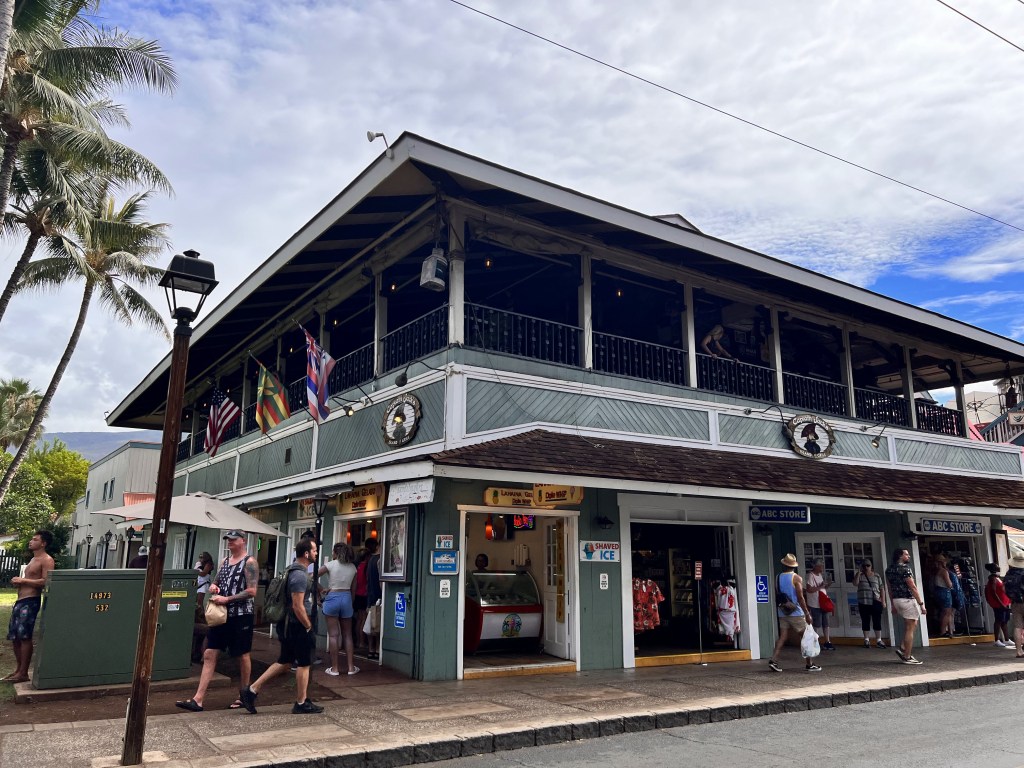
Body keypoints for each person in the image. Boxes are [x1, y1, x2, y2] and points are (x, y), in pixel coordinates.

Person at [239, 538, 324, 714]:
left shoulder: (290, 570)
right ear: (306, 554)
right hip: (297, 625)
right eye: (314, 550)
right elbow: (297, 605)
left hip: (286, 624)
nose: (316, 553)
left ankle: (252, 690)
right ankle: (301, 703)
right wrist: (308, 626)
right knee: (304, 663)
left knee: (284, 662)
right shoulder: (300, 575)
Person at [176, 530, 257, 712]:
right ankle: (198, 699)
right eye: (228, 540)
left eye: (233, 540)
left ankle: (244, 695)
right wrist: (214, 586)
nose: (229, 543)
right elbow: (217, 581)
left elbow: (252, 591)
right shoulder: (225, 562)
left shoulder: (250, 562)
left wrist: (227, 599)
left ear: (243, 541)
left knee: (242, 655)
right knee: (210, 653)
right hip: (221, 615)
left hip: (241, 615)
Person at [4, 531, 55, 683]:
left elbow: (46, 581)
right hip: (20, 601)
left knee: (24, 636)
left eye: (35, 539)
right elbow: (32, 579)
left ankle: (24, 673)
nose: (31, 541)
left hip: (31, 601)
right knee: (15, 637)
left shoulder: (47, 560)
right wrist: (19, 582)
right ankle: (18, 670)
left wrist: (23, 581)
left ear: (43, 543)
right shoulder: (34, 558)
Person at [769, 553, 819, 673]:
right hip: (796, 612)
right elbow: (800, 598)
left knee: (783, 637)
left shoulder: (778, 577)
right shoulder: (796, 578)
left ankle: (773, 660)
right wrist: (807, 613)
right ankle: (809, 664)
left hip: (783, 611)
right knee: (806, 637)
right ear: (794, 565)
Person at [318, 542, 359, 676]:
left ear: (336, 552)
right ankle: (351, 667)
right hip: (346, 597)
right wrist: (350, 603)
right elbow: (354, 589)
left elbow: (311, 577)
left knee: (334, 635)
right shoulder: (353, 567)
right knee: (347, 635)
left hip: (332, 597)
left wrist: (321, 590)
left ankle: (334, 669)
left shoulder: (330, 565)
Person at [885, 548, 926, 664]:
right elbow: (912, 587)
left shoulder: (889, 569)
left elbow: (889, 588)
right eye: (906, 554)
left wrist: (893, 604)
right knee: (910, 628)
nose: (909, 556)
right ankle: (907, 656)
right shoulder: (905, 569)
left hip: (897, 600)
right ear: (900, 556)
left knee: (913, 624)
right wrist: (921, 604)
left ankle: (903, 645)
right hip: (907, 599)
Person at [852, 559, 886, 648]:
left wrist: (883, 601)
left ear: (871, 566)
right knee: (865, 621)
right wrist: (858, 573)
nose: (866, 567)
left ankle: (878, 640)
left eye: (868, 565)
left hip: (875, 601)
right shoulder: (860, 575)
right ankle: (866, 639)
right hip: (863, 602)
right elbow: (855, 583)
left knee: (877, 620)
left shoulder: (877, 576)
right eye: (864, 566)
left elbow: (882, 588)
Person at [804, 559, 835, 650]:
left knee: (826, 623)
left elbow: (821, 588)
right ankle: (814, 642)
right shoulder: (810, 575)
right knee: (816, 624)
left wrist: (826, 585)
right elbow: (809, 589)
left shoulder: (820, 575)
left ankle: (827, 641)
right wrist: (821, 586)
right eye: (821, 565)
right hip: (815, 603)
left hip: (823, 602)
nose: (822, 567)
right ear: (816, 566)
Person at [984, 562, 1013, 648]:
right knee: (999, 620)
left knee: (1004, 620)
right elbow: (993, 592)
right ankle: (996, 640)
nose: (999, 569)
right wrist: (1000, 603)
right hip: (999, 604)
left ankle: (1007, 639)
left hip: (1005, 602)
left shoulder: (997, 578)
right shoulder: (993, 579)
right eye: (997, 568)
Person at [1002, 552, 1024, 658]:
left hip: (1015, 603)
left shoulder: (1009, 574)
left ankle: (1019, 651)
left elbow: (1003, 589)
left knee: (1018, 626)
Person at [365, 537, 382, 660]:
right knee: (377, 624)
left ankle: (371, 649)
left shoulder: (370, 560)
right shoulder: (380, 560)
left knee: (370, 623)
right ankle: (377, 649)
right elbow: (381, 581)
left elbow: (367, 579)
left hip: (370, 595)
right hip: (378, 595)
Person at [931, 554, 955, 638]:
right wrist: (952, 585)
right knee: (947, 612)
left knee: (943, 612)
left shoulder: (936, 571)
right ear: (942, 562)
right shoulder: (944, 572)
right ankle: (943, 631)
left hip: (938, 592)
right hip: (945, 592)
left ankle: (948, 631)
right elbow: (949, 584)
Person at [353, 547, 369, 654]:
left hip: (357, 594)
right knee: (363, 619)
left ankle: (358, 641)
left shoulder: (357, 567)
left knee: (359, 619)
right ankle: (362, 642)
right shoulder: (365, 567)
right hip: (364, 594)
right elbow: (367, 582)